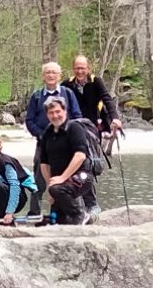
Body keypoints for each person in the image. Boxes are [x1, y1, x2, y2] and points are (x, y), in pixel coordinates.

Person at [61, 55, 122, 221]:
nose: (80, 71)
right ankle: (76, 203)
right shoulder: (67, 84)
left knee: (87, 164)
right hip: (71, 130)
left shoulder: (96, 82)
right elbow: (57, 103)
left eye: (83, 68)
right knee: (71, 165)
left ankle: (91, 204)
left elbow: (107, 100)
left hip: (91, 129)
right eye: (77, 68)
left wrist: (114, 117)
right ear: (73, 69)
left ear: (88, 69)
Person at [25, 62, 82, 216]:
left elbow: (77, 117)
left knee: (70, 177)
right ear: (43, 76)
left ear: (59, 75)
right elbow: (29, 121)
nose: (51, 75)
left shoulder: (68, 94)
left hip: (67, 144)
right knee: (39, 179)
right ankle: (34, 212)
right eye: (48, 72)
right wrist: (43, 136)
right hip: (44, 144)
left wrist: (70, 134)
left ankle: (71, 210)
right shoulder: (36, 96)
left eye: (54, 72)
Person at [40, 96, 93, 225]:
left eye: (58, 111)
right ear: (47, 115)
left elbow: (80, 156)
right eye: (51, 113)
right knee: (57, 220)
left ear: (65, 111)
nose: (55, 115)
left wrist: (62, 178)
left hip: (81, 177)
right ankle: (86, 220)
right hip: (59, 183)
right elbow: (44, 163)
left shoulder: (75, 128)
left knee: (57, 190)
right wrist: (50, 185)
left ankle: (80, 214)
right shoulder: (48, 133)